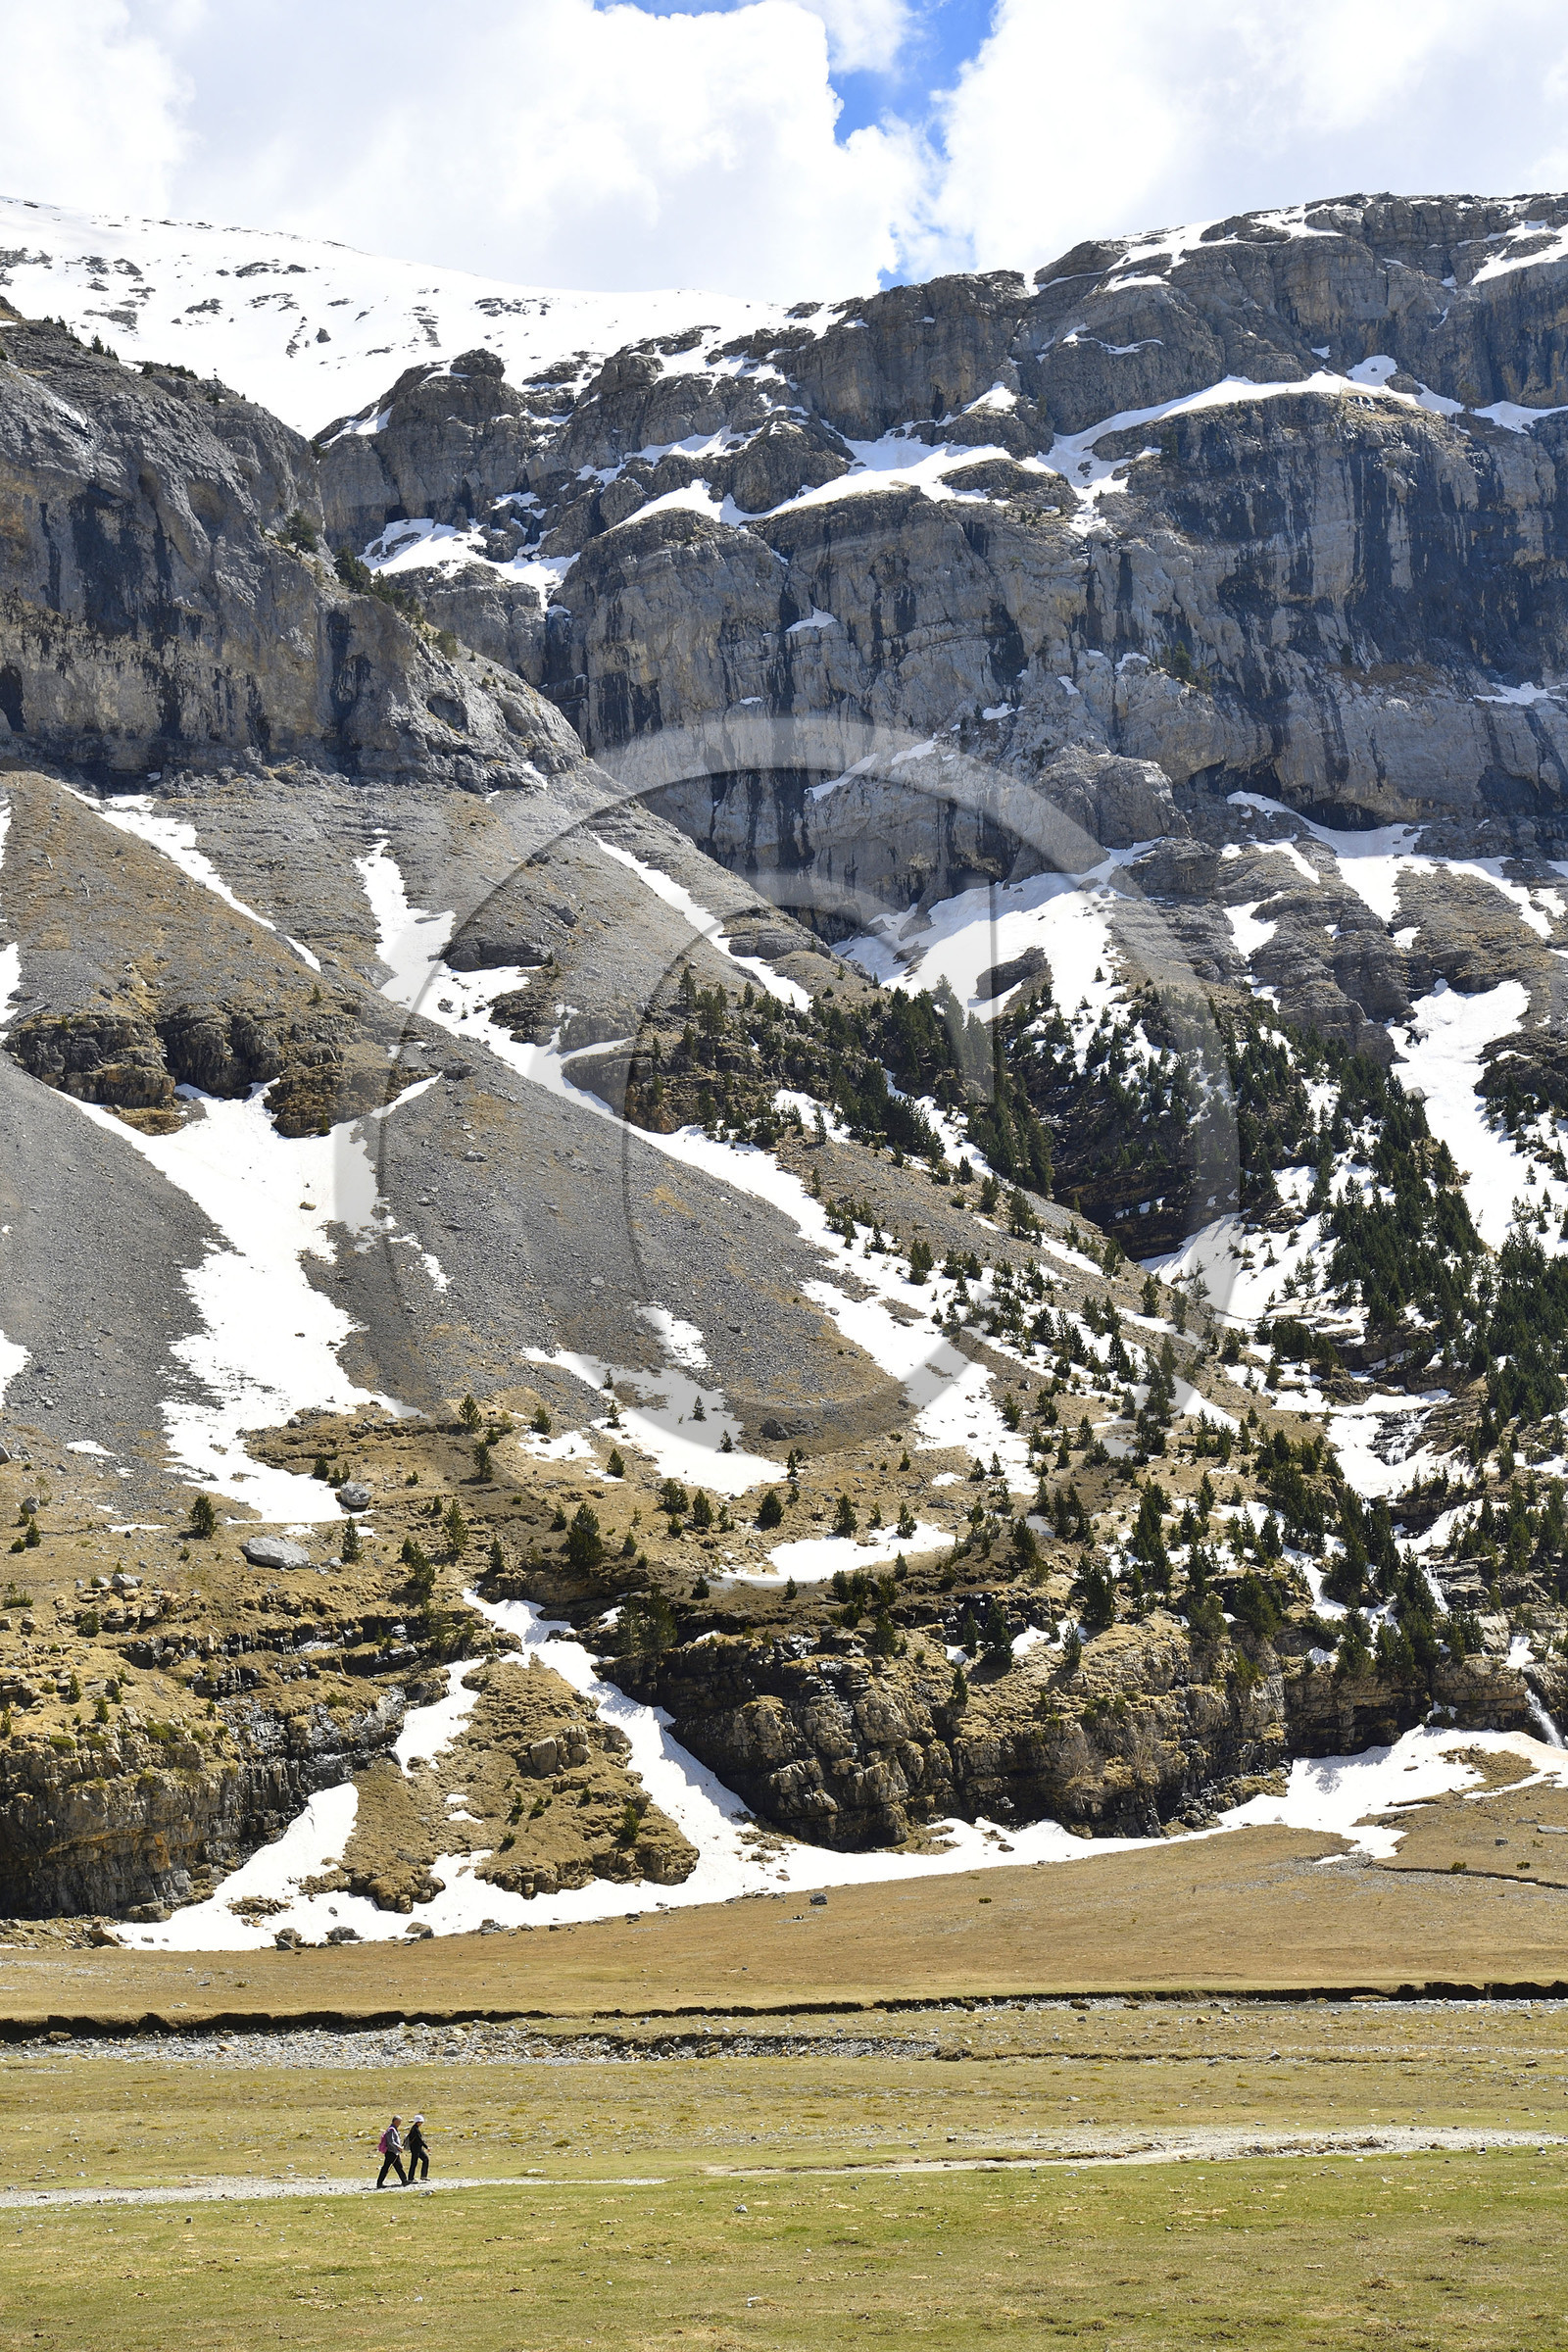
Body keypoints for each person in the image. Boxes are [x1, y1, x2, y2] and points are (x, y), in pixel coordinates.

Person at [376, 2115, 407, 2188]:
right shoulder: (391, 2130)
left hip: (394, 2152)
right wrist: (398, 2146)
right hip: (391, 2152)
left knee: (398, 2166)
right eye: (399, 2121)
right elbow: (390, 2141)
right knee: (386, 2167)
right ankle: (379, 2183)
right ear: (395, 2121)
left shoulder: (394, 2129)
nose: (400, 2123)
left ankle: (404, 2180)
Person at [406, 2115, 429, 2182]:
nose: (421, 2124)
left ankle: (423, 2176)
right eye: (421, 2122)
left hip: (417, 2148)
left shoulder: (414, 2128)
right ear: (417, 2122)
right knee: (414, 2162)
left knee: (425, 2159)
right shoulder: (415, 2129)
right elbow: (419, 2140)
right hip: (416, 2149)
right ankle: (410, 2178)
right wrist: (426, 2147)